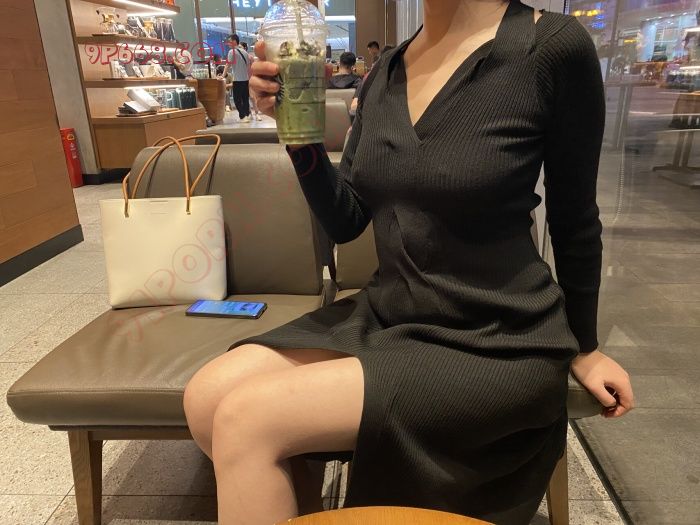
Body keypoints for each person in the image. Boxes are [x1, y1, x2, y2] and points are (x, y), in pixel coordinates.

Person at [184, 1, 635, 524]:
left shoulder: (550, 46)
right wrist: (298, 134)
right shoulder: (386, 71)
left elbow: (576, 218)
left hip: (497, 332)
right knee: (206, 399)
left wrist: (586, 347)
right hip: (394, 309)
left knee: (249, 420)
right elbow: (348, 219)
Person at [220, 33, 251, 122]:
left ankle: (242, 116)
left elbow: (227, 65)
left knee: (237, 99)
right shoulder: (245, 52)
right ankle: (247, 115)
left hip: (237, 79)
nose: (228, 43)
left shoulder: (232, 52)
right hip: (245, 79)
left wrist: (223, 76)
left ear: (234, 41)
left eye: (230, 41)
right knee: (245, 98)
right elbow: (248, 66)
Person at [241, 42, 263, 121]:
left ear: (245, 48)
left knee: (252, 97)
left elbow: (254, 68)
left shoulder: (249, 57)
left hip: (250, 79)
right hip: (242, 80)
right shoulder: (238, 58)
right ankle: (249, 113)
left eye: (241, 47)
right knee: (245, 98)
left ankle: (257, 113)